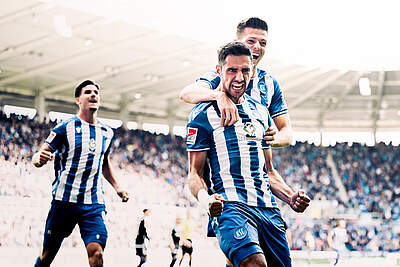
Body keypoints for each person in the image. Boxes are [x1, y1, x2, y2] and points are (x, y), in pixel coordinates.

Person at [187, 41, 310, 267]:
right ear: (219, 71)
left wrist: (290, 196)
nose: (239, 77)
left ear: (252, 71)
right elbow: (194, 174)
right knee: (254, 263)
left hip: (268, 208)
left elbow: (269, 172)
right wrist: (206, 200)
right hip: (230, 206)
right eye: (231, 70)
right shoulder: (202, 115)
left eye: (245, 70)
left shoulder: (261, 112)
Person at [32, 80, 130, 267]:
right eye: (87, 92)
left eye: (95, 92)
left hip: (92, 203)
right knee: (47, 256)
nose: (93, 95)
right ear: (78, 99)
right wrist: (38, 159)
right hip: (63, 202)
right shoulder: (65, 127)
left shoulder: (106, 132)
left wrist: (118, 187)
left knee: (97, 253)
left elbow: (104, 162)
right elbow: (40, 154)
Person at [180, 17, 292, 148]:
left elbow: (287, 131)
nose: (257, 46)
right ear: (237, 42)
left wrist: (271, 139)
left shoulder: (269, 83)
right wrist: (219, 96)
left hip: (255, 166)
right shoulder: (221, 75)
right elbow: (186, 93)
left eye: (263, 43)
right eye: (251, 41)